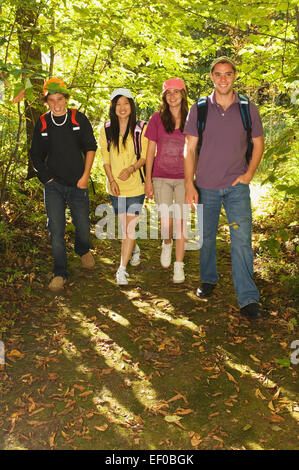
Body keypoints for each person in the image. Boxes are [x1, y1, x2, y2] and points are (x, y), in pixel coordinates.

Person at [184, 57, 266, 319]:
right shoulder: (199, 108)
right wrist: (189, 184)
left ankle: (248, 299)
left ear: (235, 76)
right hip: (206, 185)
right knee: (206, 238)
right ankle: (208, 280)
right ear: (211, 77)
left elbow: (258, 142)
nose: (223, 79)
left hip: (236, 188)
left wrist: (249, 174)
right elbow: (190, 148)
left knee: (241, 241)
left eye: (227, 74)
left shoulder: (246, 108)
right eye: (218, 74)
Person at [30, 78, 97, 292]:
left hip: (78, 182)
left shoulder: (78, 119)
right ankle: (60, 273)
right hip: (54, 186)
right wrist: (47, 179)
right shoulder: (42, 123)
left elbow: (90, 148)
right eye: (52, 100)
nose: (57, 104)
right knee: (56, 229)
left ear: (66, 99)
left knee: (83, 227)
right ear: (46, 102)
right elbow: (35, 155)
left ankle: (82, 249)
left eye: (60, 99)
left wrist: (85, 176)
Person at [99, 88, 148, 285]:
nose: (122, 108)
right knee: (125, 229)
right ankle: (134, 249)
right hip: (115, 187)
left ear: (131, 106)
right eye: (118, 104)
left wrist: (131, 168)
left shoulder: (141, 128)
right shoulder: (106, 128)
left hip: (136, 186)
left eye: (126, 103)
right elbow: (105, 158)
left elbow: (145, 156)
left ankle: (121, 269)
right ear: (113, 107)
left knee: (128, 230)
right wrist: (111, 180)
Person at [145, 78, 188, 283]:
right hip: (160, 175)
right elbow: (150, 150)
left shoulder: (191, 118)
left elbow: (196, 150)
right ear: (164, 97)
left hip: (183, 178)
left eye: (176, 92)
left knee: (180, 221)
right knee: (166, 220)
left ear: (183, 95)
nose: (172, 96)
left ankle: (179, 266)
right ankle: (166, 242)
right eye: (168, 93)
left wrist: (193, 182)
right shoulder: (156, 119)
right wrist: (147, 181)